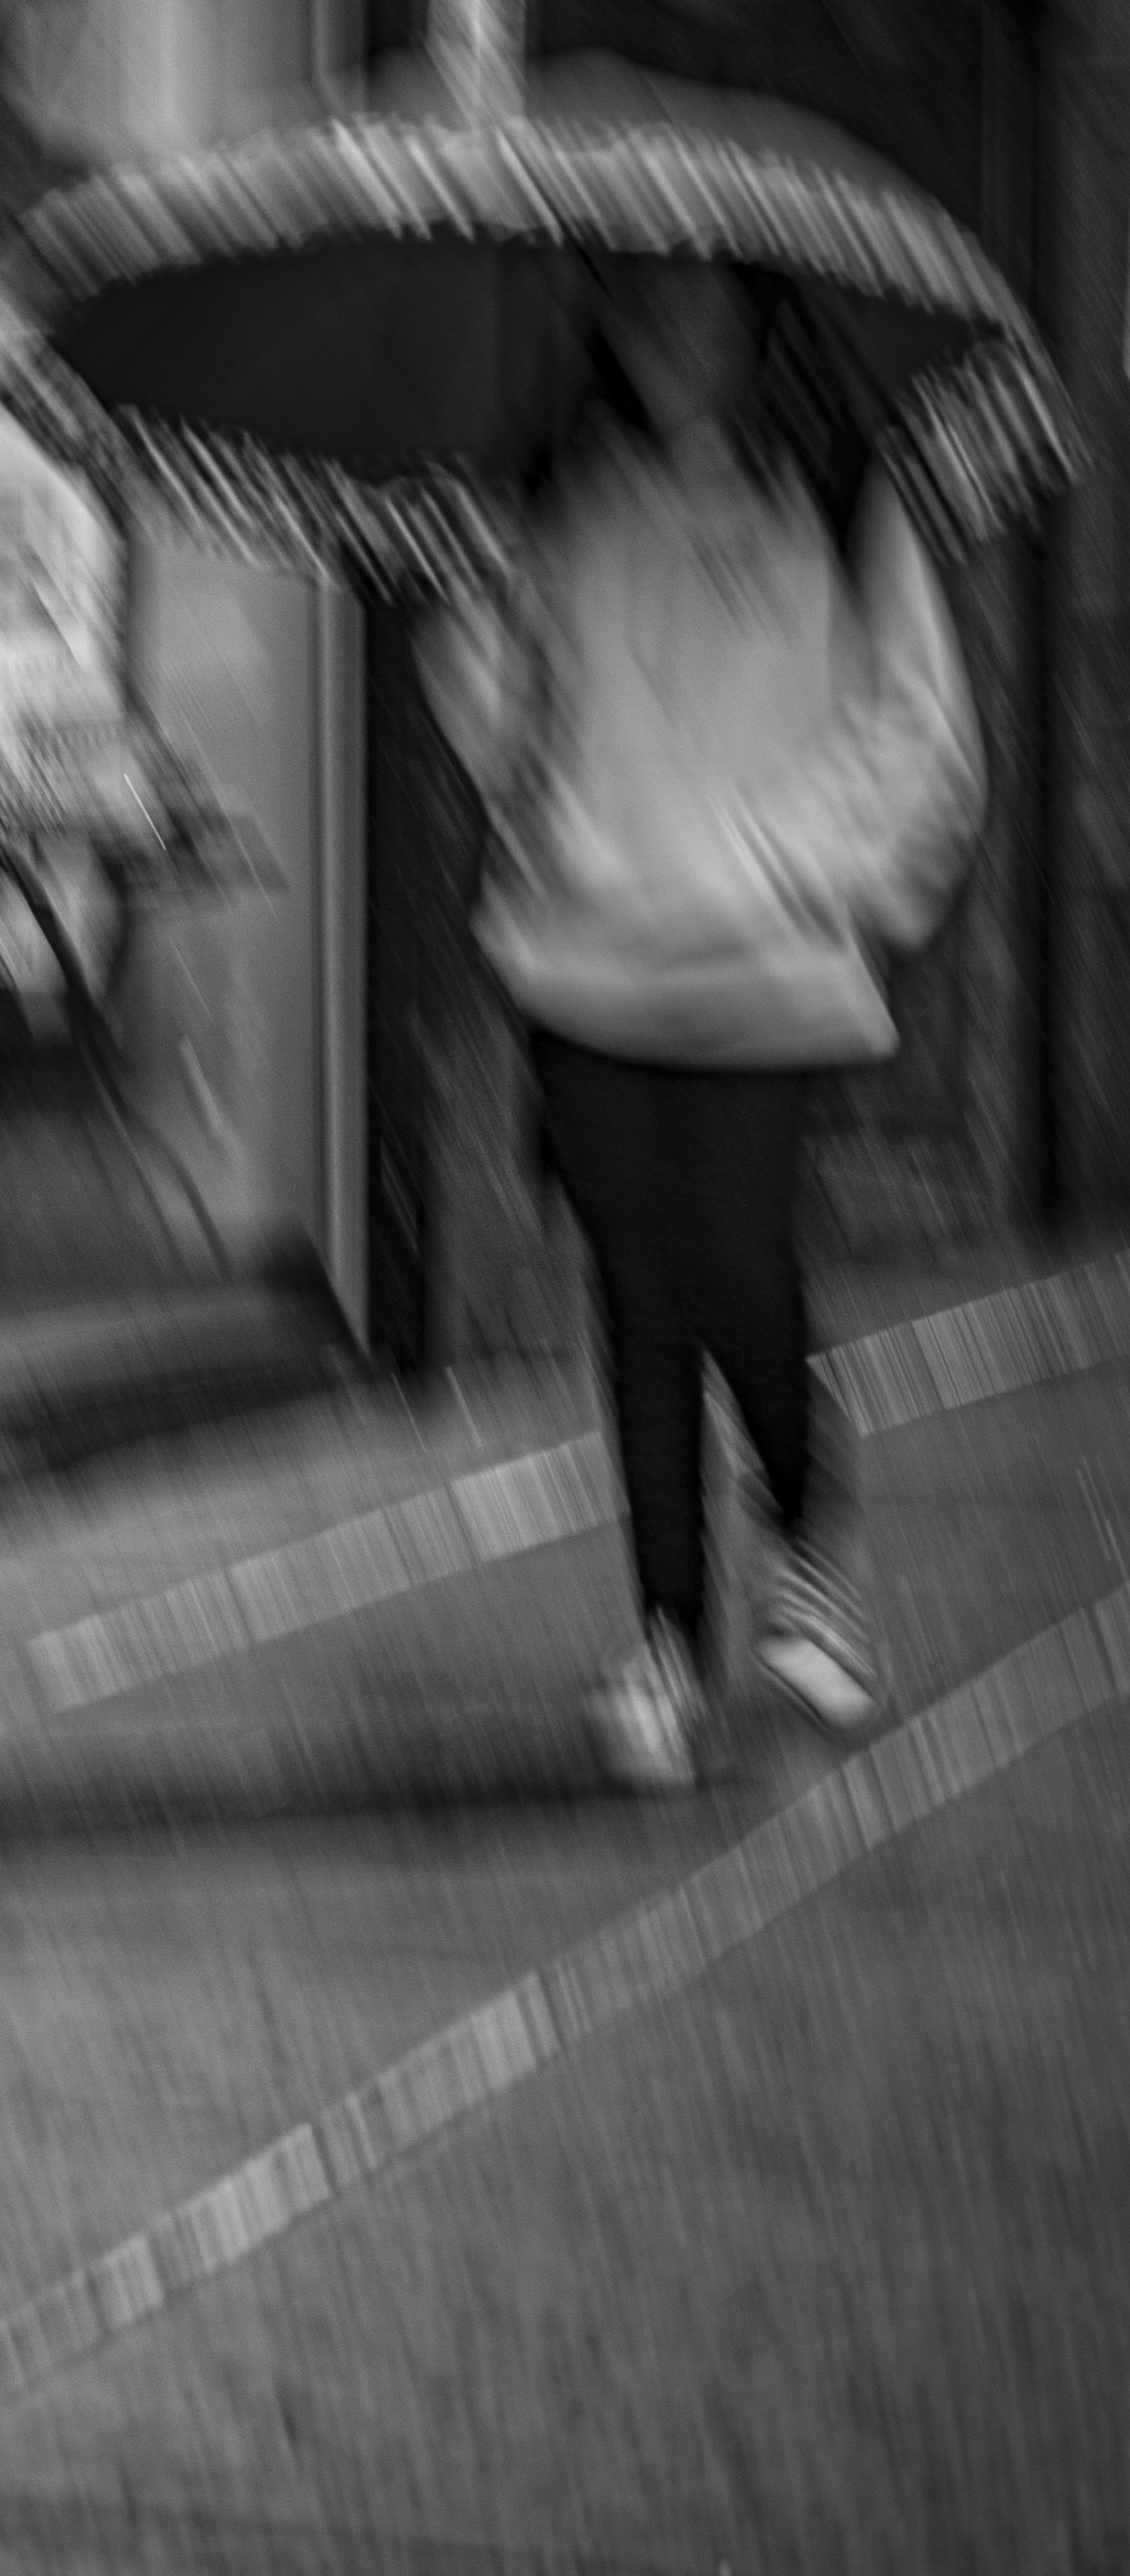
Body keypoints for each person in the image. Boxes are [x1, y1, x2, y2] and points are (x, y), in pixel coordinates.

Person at [418, 257, 985, 1792]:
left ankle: (807, 1529)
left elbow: (924, 737)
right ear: (605, 324)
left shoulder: (840, 493)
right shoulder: (547, 494)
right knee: (639, 1302)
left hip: (760, 973)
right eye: (643, 305)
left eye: (702, 307)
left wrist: (771, 853)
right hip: (584, 967)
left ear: (757, 321)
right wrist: (466, 616)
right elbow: (505, 730)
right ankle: (668, 1644)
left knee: (733, 1262)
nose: (672, 333)